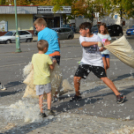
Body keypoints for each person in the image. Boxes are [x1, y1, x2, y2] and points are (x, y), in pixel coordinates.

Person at [70, 22, 126, 104]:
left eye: (81, 30)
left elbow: (100, 49)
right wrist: (95, 43)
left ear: (87, 30)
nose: (80, 32)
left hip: (97, 62)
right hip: (85, 62)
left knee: (104, 78)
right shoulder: (82, 37)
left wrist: (106, 46)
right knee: (76, 78)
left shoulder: (97, 37)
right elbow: (84, 44)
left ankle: (119, 95)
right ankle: (77, 95)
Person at [32, 40, 55, 118]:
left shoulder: (34, 56)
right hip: (46, 79)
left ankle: (42, 112)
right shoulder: (46, 57)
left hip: (37, 80)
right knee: (49, 94)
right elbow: (52, 68)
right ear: (45, 48)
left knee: (40, 96)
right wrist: (54, 62)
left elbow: (33, 67)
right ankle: (49, 109)